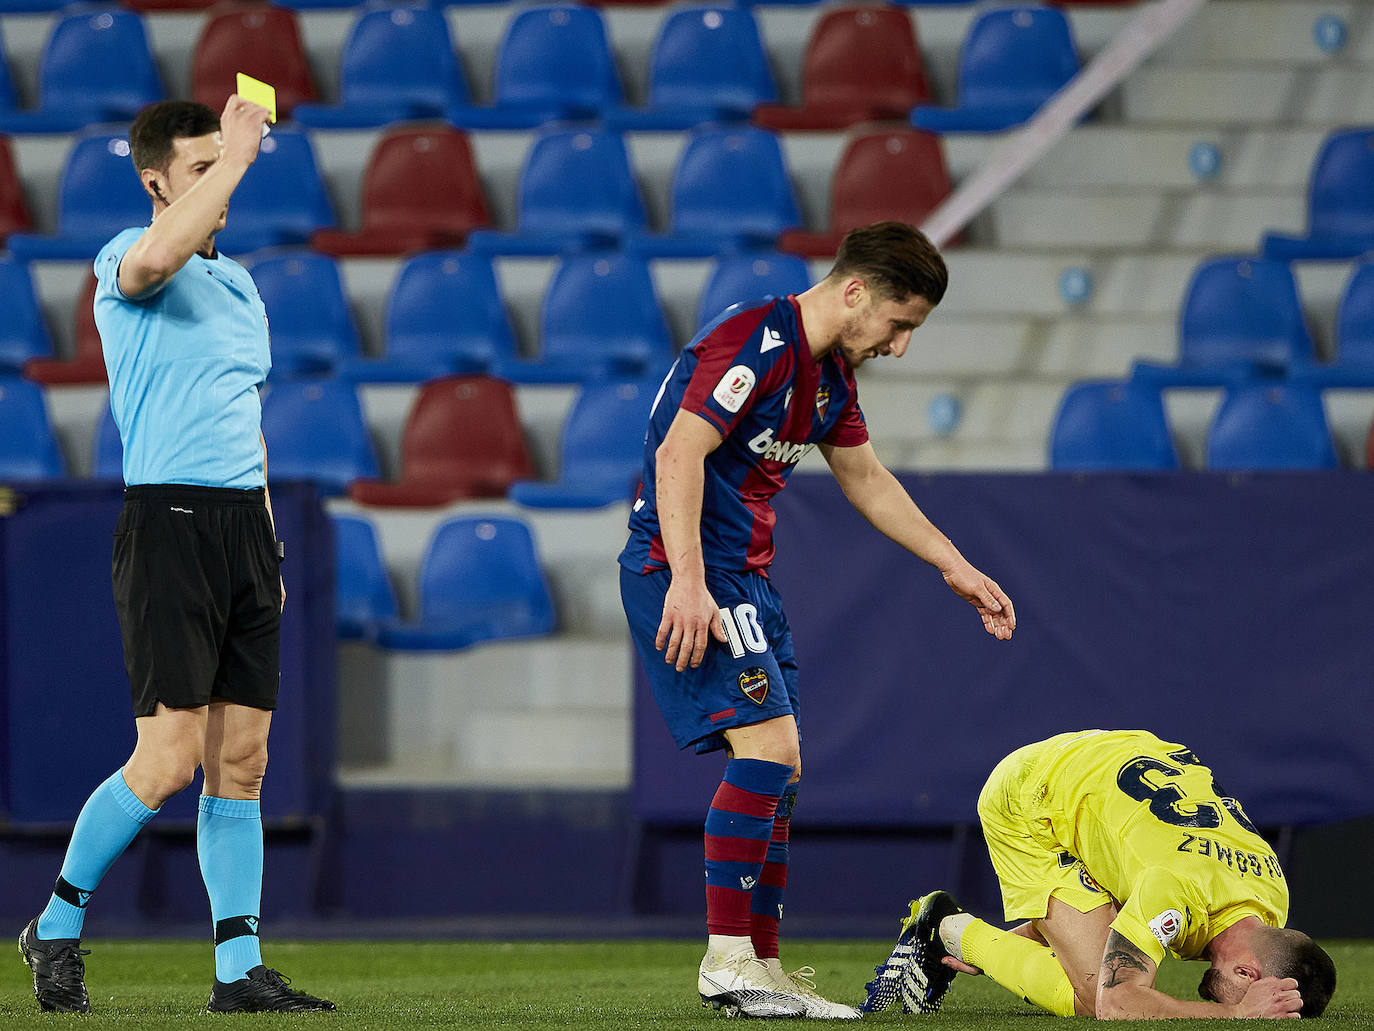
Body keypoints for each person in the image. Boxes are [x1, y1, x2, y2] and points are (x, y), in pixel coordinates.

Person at [619, 221, 1017, 1019]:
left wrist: (954, 564)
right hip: (687, 571)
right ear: (856, 291)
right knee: (769, 748)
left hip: (744, 579)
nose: (899, 346)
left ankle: (759, 964)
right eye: (900, 325)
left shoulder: (830, 378)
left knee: (785, 768)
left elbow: (867, 479)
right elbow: (677, 456)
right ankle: (728, 961)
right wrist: (690, 583)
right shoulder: (752, 341)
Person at [17, 98, 334, 1014]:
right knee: (164, 763)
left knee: (244, 760)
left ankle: (238, 969)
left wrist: (268, 532)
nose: (218, 179)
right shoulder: (124, 254)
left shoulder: (241, 286)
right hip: (168, 522)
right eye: (197, 169)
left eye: (219, 164)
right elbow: (159, 258)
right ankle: (57, 923)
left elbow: (248, 420)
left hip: (242, 526)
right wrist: (236, 158)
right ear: (156, 181)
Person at [864, 729, 1336, 1020]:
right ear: (1247, 971)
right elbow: (1119, 1005)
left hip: (1122, 760)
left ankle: (979, 935)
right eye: (1265, 999)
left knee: (1102, 952)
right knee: (1095, 995)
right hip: (1032, 794)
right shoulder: (1178, 891)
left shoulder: (1271, 892)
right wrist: (1236, 1013)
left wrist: (1045, 932)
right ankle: (947, 927)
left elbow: (1144, 859)